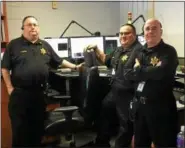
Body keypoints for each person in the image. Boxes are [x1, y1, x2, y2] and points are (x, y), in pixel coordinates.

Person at [1, 15, 83, 147]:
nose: (33, 27)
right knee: (20, 131)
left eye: (35, 24)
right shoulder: (14, 45)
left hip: (39, 95)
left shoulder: (45, 45)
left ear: (38, 28)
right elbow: (4, 68)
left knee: (37, 131)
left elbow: (59, 61)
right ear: (23, 28)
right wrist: (10, 88)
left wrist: (75, 67)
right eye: (29, 24)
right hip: (20, 95)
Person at [85, 24, 143, 147]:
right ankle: (102, 142)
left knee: (125, 125)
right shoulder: (119, 49)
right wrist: (96, 49)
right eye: (121, 33)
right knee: (104, 113)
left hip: (128, 94)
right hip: (115, 91)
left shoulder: (139, 51)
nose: (123, 36)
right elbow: (106, 60)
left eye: (126, 33)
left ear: (134, 35)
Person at [124, 18, 179, 147]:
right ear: (143, 33)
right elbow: (127, 73)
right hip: (140, 107)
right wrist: (151, 71)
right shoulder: (138, 51)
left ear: (161, 31)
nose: (150, 31)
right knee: (140, 143)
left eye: (154, 28)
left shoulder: (169, 51)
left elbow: (161, 72)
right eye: (147, 29)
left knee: (164, 143)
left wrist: (138, 69)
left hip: (161, 107)